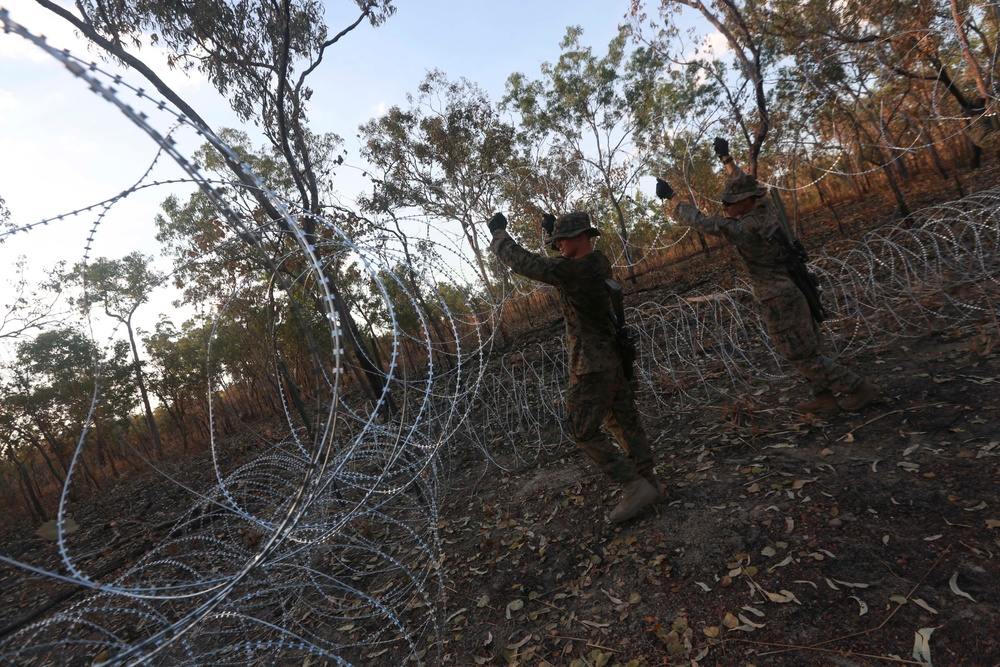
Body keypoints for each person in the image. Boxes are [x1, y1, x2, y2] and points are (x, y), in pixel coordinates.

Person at [654, 138, 880, 416]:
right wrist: (726, 160)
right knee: (807, 347)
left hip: (778, 297)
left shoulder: (745, 228)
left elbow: (701, 222)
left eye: (731, 202)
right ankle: (823, 398)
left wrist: (672, 197)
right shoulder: (766, 209)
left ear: (747, 202)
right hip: (795, 287)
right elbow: (743, 180)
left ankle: (858, 387)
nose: (725, 206)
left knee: (799, 354)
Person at [487, 210, 663, 523]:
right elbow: (560, 261)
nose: (557, 246)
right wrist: (552, 232)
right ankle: (649, 481)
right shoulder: (599, 262)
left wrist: (500, 234)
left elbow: (531, 265)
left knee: (580, 429)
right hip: (612, 358)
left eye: (562, 240)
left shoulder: (573, 270)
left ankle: (633, 485)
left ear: (581, 237)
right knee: (624, 421)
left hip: (591, 364)